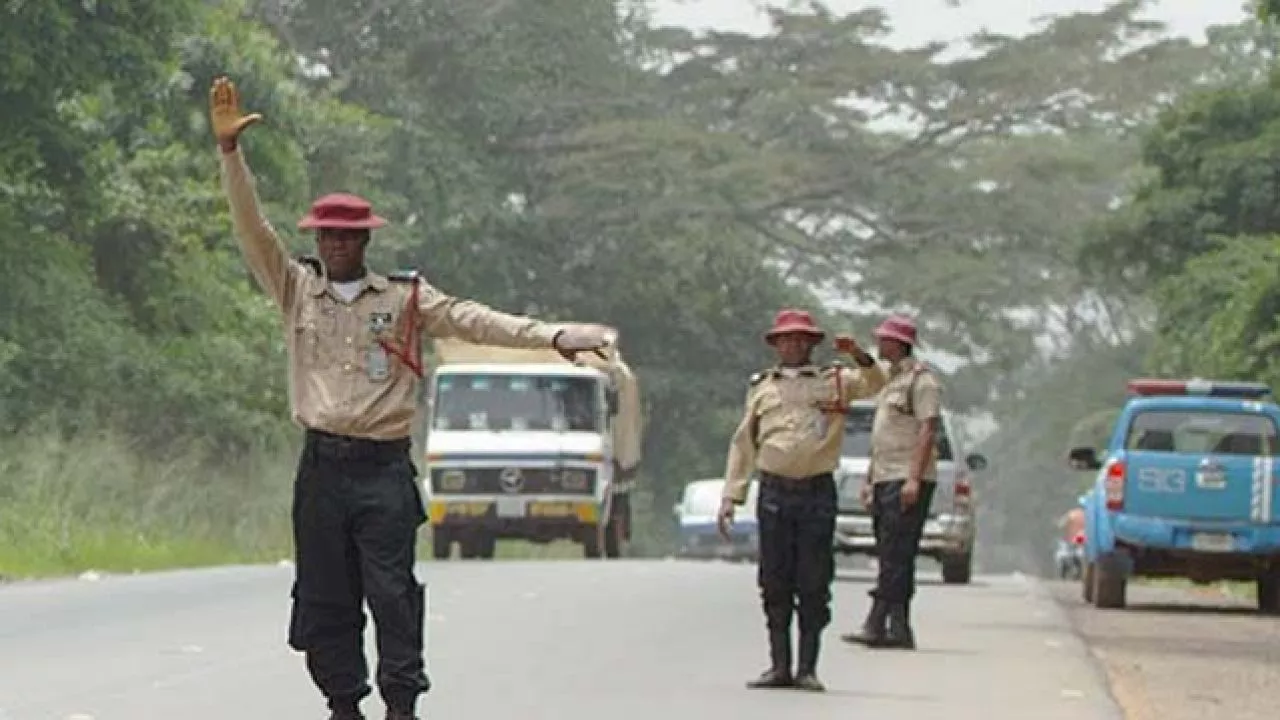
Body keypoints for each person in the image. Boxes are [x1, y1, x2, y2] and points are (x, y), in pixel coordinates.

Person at [208, 76, 613, 720]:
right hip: (322, 468)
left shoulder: (405, 300)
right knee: (326, 595)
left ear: (366, 241)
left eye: (347, 236)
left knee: (392, 592)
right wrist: (231, 155)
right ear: (315, 242)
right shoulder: (294, 291)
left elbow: (477, 320)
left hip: (383, 471)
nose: (335, 245)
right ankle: (343, 702)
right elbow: (251, 229)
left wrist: (554, 336)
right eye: (326, 237)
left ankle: (402, 704)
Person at [717, 309, 887, 692]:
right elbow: (744, 444)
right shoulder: (762, 387)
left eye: (801, 339)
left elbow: (878, 382)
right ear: (776, 345)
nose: (793, 345)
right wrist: (731, 496)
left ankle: (807, 667)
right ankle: (779, 665)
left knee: (813, 581)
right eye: (786, 339)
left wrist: (858, 353)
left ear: (812, 344)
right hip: (775, 493)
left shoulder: (836, 381)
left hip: (815, 493)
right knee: (775, 581)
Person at [841, 315, 941, 651]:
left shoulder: (922, 381)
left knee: (898, 551)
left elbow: (927, 430)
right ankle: (897, 625)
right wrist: (870, 480)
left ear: (898, 344)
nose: (879, 345)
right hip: (885, 474)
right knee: (890, 552)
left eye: (884, 340)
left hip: (906, 476)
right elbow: (880, 437)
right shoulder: (891, 381)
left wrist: (913, 478)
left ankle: (877, 621)